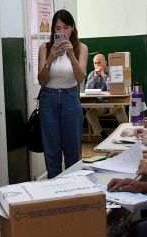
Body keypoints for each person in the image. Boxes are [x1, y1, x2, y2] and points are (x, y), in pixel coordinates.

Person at [37, 9, 88, 178]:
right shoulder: (45, 48)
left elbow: (80, 78)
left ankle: (74, 191)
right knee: (51, 152)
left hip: (70, 98)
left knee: (73, 151)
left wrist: (71, 54)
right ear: (53, 30)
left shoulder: (81, 48)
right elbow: (42, 80)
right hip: (48, 99)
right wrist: (51, 58)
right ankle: (55, 194)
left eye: (65, 28)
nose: (62, 32)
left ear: (72, 28)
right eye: (57, 28)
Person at [85, 54, 128, 139]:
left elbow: (113, 88)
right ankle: (102, 134)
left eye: (99, 63)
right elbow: (87, 90)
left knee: (121, 110)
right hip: (100, 105)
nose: (97, 65)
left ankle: (122, 135)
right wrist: (95, 77)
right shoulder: (91, 74)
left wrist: (104, 75)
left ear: (105, 63)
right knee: (90, 113)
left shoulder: (113, 72)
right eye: (95, 63)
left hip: (114, 104)